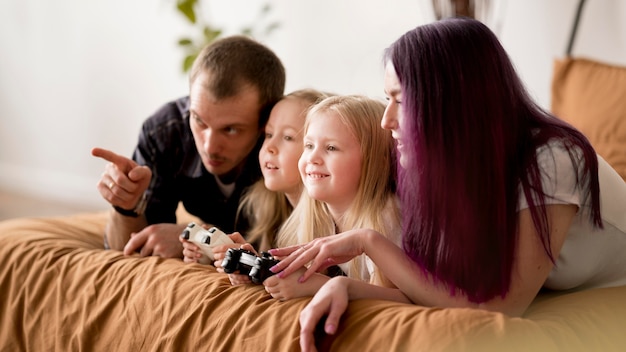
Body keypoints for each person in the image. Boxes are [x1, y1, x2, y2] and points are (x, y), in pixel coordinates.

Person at [268, 18, 626, 351]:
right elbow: (440, 289)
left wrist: (367, 241)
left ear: (451, 103)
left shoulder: (552, 160)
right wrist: (340, 283)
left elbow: (500, 307)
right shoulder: (446, 168)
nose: (386, 120)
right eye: (386, 98)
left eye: (401, 101)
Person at [91, 35, 286, 258]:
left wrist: (196, 238)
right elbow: (134, 246)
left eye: (231, 129)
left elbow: (290, 249)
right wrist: (126, 204)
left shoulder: (293, 145)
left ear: (265, 122)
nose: (209, 146)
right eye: (199, 120)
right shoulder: (165, 132)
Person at [180, 89, 332, 278]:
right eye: (268, 134)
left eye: (288, 137)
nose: (269, 147)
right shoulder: (262, 208)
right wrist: (214, 256)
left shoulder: (333, 228)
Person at [262, 95, 402, 301]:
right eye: (309, 146)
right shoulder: (316, 216)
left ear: (376, 162)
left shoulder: (385, 219)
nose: (312, 158)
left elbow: (394, 302)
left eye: (331, 148)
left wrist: (321, 286)